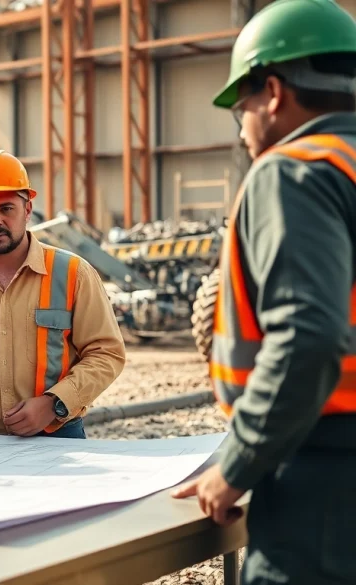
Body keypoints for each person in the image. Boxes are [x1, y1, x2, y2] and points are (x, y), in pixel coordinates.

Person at [171, 1, 356, 583]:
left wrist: (241, 461)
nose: (243, 126)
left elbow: (308, 336)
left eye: (241, 106)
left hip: (320, 475)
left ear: (272, 92)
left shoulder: (294, 170)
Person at [0, 148, 126, 438]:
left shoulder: (73, 274)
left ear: (27, 209)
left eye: (6, 208)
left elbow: (106, 353)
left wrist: (55, 404)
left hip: (59, 435)